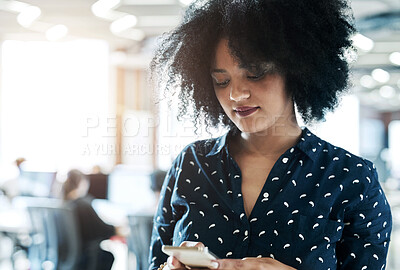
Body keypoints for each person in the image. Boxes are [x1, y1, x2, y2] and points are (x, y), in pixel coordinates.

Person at [148, 0, 393, 270]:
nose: (235, 94)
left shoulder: (352, 178)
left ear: (298, 70)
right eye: (222, 80)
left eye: (254, 74)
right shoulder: (192, 163)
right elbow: (154, 262)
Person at [62, 169, 115, 270]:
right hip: (85, 259)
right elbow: (102, 229)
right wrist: (118, 229)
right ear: (82, 183)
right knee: (108, 256)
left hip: (70, 258)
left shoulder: (65, 204)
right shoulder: (83, 204)